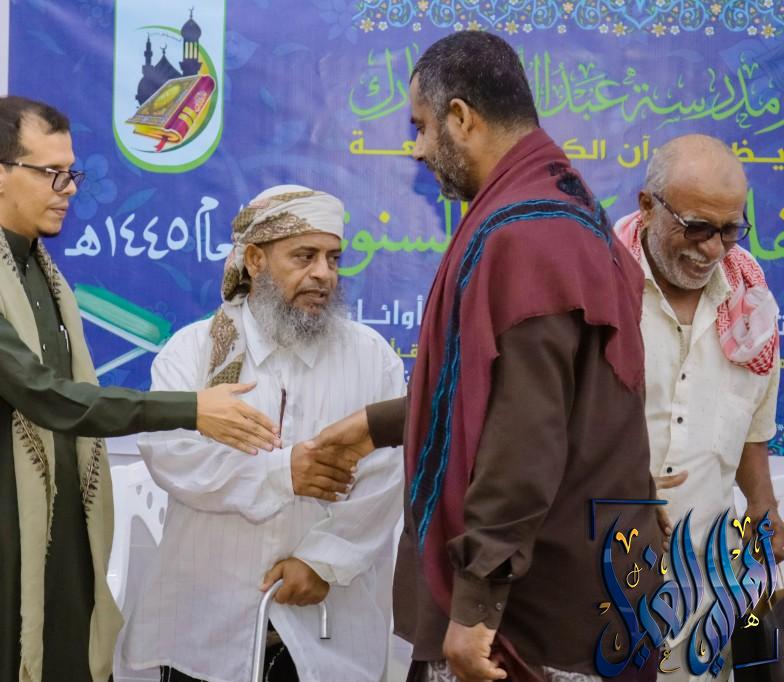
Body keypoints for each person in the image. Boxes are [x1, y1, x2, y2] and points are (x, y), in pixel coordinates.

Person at [310, 32, 661, 681]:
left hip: (535, 624)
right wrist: (375, 427)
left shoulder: (526, 236)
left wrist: (476, 605)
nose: (416, 149)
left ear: (461, 117)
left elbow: (525, 434)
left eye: (420, 126)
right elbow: (510, 389)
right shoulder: (566, 210)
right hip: (596, 596)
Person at [0, 96, 279, 682]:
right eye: (51, 173)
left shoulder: (42, 274)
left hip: (60, 529)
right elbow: (45, 395)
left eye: (71, 172)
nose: (69, 188)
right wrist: (192, 410)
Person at [121, 185, 405, 682]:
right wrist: (282, 473)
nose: (323, 274)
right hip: (206, 626)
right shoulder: (194, 351)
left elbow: (387, 475)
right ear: (255, 260)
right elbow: (170, 453)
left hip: (327, 626)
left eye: (333, 258)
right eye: (304, 256)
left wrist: (322, 563)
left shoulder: (371, 357)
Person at [612, 133, 782, 679]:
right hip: (599, 581)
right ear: (647, 207)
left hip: (703, 594)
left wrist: (763, 502)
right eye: (697, 228)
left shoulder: (751, 302)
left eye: (730, 230)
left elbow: (751, 425)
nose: (713, 249)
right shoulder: (597, 291)